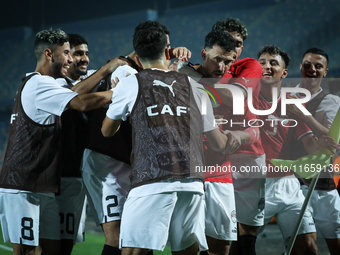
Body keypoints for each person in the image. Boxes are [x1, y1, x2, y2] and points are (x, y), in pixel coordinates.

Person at [102, 24, 240, 255]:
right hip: (193, 181)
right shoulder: (195, 87)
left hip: (152, 179)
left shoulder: (130, 83)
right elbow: (217, 142)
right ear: (168, 51)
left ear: (136, 53)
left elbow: (107, 131)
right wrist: (237, 137)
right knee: (186, 251)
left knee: (133, 251)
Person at [0, 29, 121, 255]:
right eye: (66, 53)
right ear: (49, 54)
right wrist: (121, 92)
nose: (69, 59)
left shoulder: (48, 84)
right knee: (27, 251)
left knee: (54, 250)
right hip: (22, 185)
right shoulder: (39, 84)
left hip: (44, 185)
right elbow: (82, 102)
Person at [81, 20, 192, 255]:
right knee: (119, 234)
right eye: (167, 45)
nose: (169, 50)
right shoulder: (126, 72)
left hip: (130, 162)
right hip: (106, 163)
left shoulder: (139, 71)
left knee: (140, 232)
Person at [178, 30, 259, 255]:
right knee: (186, 246)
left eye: (227, 61)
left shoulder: (234, 88)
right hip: (186, 173)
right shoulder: (180, 78)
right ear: (204, 53)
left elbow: (254, 130)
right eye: (217, 59)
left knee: (220, 247)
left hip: (219, 173)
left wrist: (238, 136)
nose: (221, 67)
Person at [255, 45, 337, 255]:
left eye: (273, 62)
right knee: (239, 245)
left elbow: (309, 142)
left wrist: (322, 144)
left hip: (293, 184)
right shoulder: (244, 100)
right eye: (262, 62)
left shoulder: (293, 104)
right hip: (255, 184)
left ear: (284, 72)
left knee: (308, 247)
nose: (267, 66)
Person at [211, 18, 265, 255]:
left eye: (239, 43)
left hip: (247, 154)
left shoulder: (250, 65)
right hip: (215, 156)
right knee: (215, 233)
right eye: (228, 41)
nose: (234, 47)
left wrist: (197, 84)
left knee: (246, 235)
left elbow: (237, 97)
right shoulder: (209, 67)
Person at [288, 48, 340, 255]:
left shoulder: (332, 101)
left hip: (325, 183)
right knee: (306, 247)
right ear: (300, 67)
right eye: (307, 65)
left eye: (318, 66)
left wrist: (303, 114)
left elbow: (332, 141)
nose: (312, 69)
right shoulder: (287, 96)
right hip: (296, 183)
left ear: (325, 71)